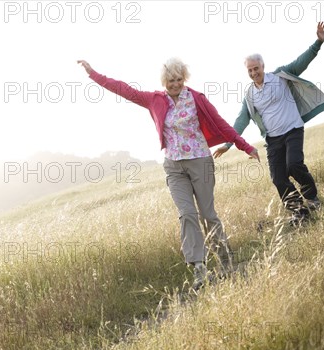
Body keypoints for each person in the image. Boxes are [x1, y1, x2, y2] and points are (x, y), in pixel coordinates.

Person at [77, 58, 260, 290]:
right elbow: (124, 89)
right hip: (174, 167)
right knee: (187, 214)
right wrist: (93, 74)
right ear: (164, 81)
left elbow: (222, 124)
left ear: (184, 79)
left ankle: (225, 261)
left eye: (179, 80)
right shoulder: (154, 100)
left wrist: (245, 146)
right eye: (171, 80)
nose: (175, 84)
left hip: (200, 162)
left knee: (208, 214)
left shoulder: (196, 99)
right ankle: (199, 270)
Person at [214, 22, 324, 226]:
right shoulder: (250, 95)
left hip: (293, 129)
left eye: (256, 68)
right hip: (273, 140)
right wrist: (228, 144)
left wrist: (318, 43)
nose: (253, 73)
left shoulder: (280, 76)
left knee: (293, 164)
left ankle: (312, 198)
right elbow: (241, 120)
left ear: (263, 66)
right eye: (249, 70)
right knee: (278, 178)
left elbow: (301, 62)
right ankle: (299, 212)